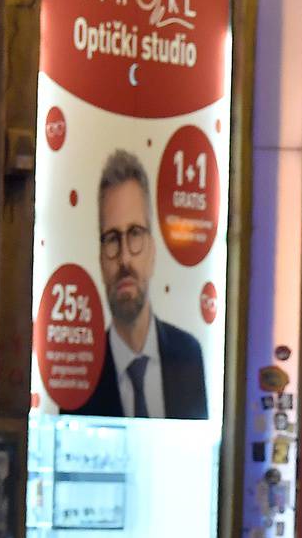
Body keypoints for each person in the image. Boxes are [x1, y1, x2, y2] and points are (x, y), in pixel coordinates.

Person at [71, 149, 208, 420]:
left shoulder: (190, 357)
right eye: (111, 238)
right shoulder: (82, 373)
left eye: (135, 234)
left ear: (153, 250)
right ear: (99, 259)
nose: (124, 258)